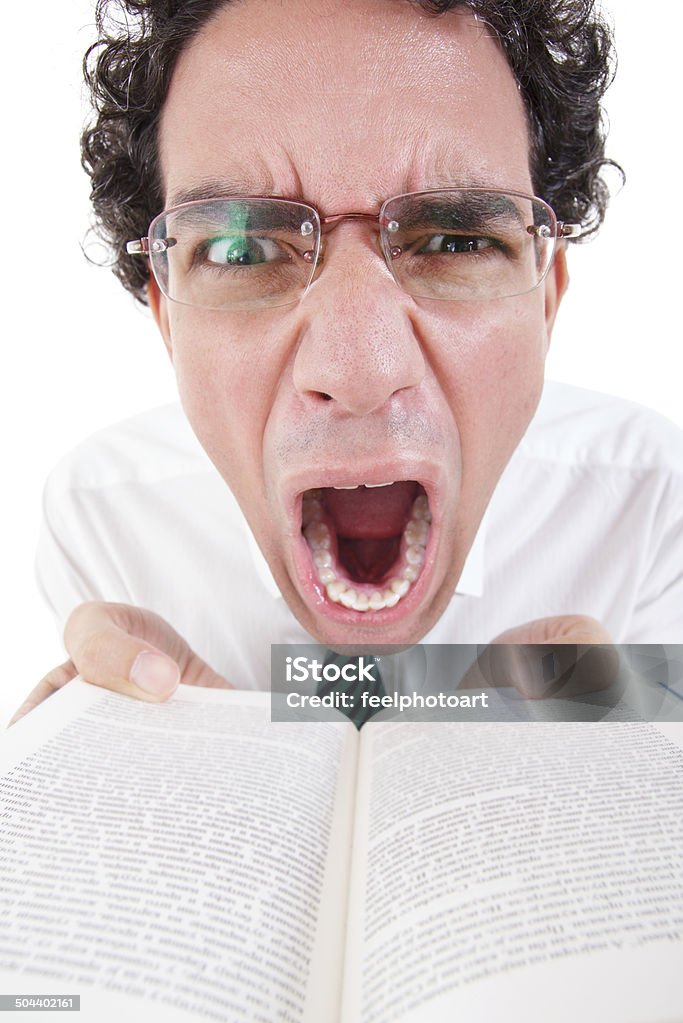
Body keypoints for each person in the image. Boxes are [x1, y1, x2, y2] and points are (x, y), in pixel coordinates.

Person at [12, 0, 683, 722]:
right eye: (244, 251)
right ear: (167, 319)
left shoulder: (647, 506)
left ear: (544, 302)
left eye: (454, 242)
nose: (357, 372)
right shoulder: (103, 516)